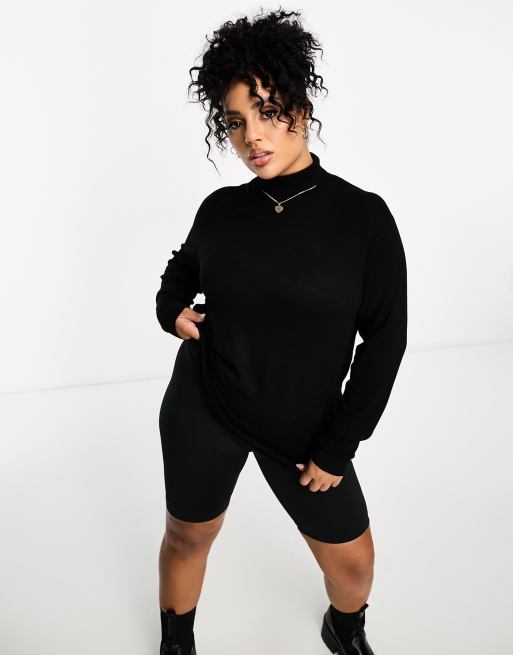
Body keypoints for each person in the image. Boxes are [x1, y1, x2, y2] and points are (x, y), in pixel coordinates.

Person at [155, 9, 407, 655]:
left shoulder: (362, 219)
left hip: (305, 428)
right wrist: (170, 308)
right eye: (235, 121)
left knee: (354, 564)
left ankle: (344, 626)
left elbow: (385, 342)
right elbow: (180, 272)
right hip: (205, 404)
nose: (252, 136)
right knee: (188, 535)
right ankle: (176, 642)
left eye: (267, 112)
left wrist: (338, 445)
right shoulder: (221, 210)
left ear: (301, 106)